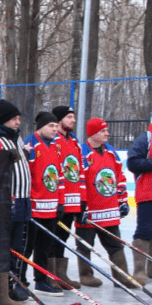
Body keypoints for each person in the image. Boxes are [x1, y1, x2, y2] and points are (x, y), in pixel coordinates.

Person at [74, 118, 135, 288]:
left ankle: (122, 277)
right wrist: (81, 206)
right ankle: (85, 275)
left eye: (106, 130)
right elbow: (79, 181)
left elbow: (120, 177)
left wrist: (122, 200)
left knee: (115, 243)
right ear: (93, 133)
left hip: (109, 209)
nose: (107, 133)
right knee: (85, 244)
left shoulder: (111, 152)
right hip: (89, 210)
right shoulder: (83, 153)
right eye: (103, 131)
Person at [0, 100, 30, 305]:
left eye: (19, 118)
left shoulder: (17, 137)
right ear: (3, 119)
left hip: (22, 199)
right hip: (7, 200)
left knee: (16, 247)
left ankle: (10, 285)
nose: (17, 122)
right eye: (14, 118)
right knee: (1, 247)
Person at [22, 112, 65, 296]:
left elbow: (59, 176)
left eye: (56, 126)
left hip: (51, 207)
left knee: (45, 248)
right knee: (27, 246)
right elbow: (25, 177)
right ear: (40, 126)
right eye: (51, 126)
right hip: (34, 207)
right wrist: (27, 203)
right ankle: (20, 280)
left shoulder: (55, 145)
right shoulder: (30, 144)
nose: (55, 129)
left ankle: (41, 281)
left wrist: (61, 202)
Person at [51, 106, 87, 288]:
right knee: (52, 237)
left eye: (73, 117)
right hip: (58, 200)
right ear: (58, 120)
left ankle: (61, 274)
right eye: (69, 117)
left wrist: (83, 198)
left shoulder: (74, 141)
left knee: (63, 237)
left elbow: (80, 172)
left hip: (72, 201)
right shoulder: (53, 140)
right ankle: (50, 276)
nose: (73, 120)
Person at [126, 113, 152, 285]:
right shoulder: (146, 139)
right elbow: (133, 162)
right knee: (144, 230)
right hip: (148, 192)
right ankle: (139, 271)